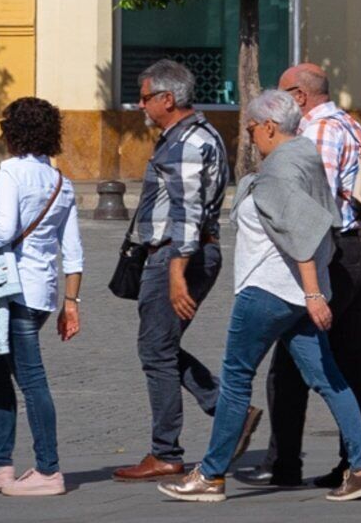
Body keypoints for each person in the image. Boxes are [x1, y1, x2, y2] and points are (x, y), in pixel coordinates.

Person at [162, 90, 361, 503]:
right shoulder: (305, 157)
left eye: (250, 129)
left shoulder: (280, 169)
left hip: (267, 290)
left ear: (268, 126)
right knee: (330, 379)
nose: (249, 138)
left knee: (235, 379)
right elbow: (326, 221)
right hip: (296, 295)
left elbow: (302, 232)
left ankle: (210, 475)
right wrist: (312, 293)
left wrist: (315, 293)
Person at [255, 63, 361, 491]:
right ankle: (358, 461)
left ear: (300, 97)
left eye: (284, 94)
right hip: (356, 254)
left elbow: (310, 203)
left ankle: (284, 462)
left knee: (290, 364)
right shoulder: (352, 124)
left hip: (331, 255)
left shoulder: (318, 132)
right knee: (349, 362)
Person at [112, 60, 231, 483]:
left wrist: (177, 271)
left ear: (168, 98)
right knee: (159, 347)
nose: (141, 105)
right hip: (182, 253)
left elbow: (186, 212)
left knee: (156, 352)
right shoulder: (198, 135)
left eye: (146, 97)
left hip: (177, 255)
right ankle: (228, 411)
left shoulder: (184, 143)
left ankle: (167, 451)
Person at [0, 95, 82, 497]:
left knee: (31, 379)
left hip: (14, 291)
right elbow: (75, 251)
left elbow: (0, 233)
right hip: (43, 291)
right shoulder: (61, 182)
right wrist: (71, 304)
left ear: (12, 133)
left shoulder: (12, 171)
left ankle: (48, 470)